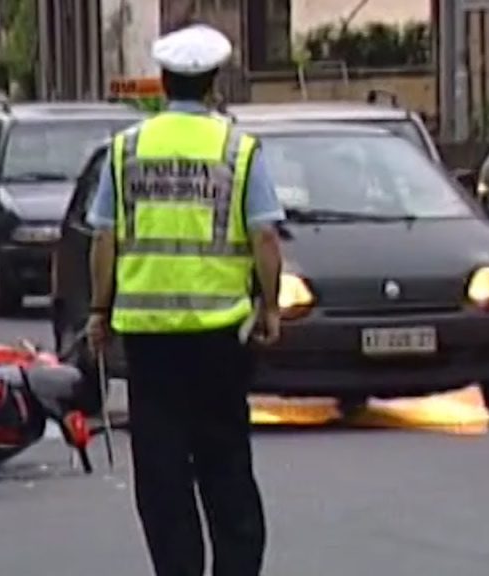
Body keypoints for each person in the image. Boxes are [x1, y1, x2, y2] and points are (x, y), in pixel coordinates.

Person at [84, 24, 285, 576]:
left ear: (163, 83)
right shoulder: (237, 149)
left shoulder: (126, 151)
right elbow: (264, 237)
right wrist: (270, 307)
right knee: (225, 464)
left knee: (163, 472)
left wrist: (100, 311)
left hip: (149, 341)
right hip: (220, 337)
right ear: (214, 84)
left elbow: (105, 238)